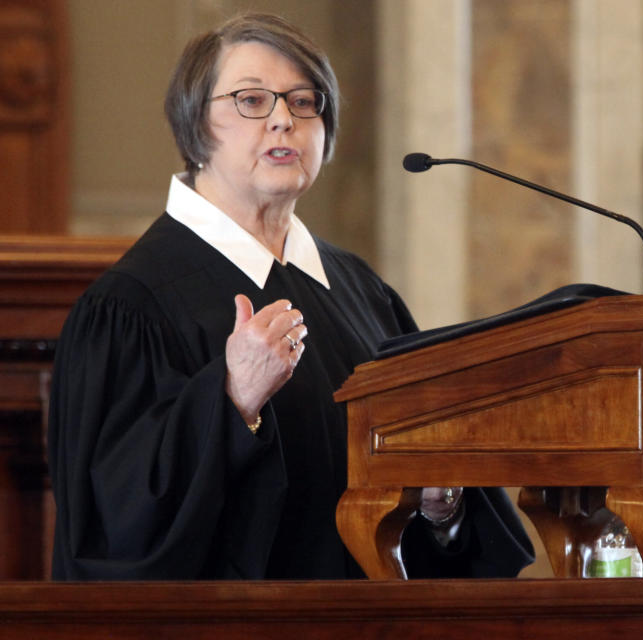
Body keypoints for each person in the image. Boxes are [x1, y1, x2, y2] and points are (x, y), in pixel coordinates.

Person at [47, 12, 534, 580]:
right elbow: (113, 527)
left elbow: (427, 525)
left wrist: (440, 505)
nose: (284, 120)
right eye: (252, 100)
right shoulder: (130, 307)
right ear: (195, 126)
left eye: (305, 102)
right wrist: (230, 399)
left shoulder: (362, 291)